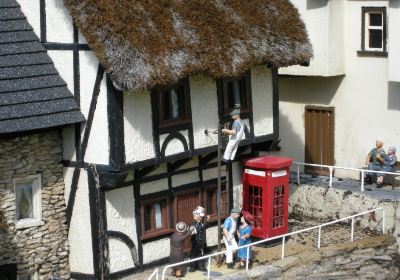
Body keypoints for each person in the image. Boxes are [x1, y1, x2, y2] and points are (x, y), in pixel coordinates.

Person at [189, 206, 210, 272]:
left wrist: (208, 220)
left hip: (201, 242)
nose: (201, 218)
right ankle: (193, 266)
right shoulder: (193, 224)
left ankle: (201, 266)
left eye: (201, 217)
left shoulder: (201, 224)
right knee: (193, 254)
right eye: (200, 217)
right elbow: (190, 232)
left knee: (201, 254)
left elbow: (206, 226)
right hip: (195, 242)